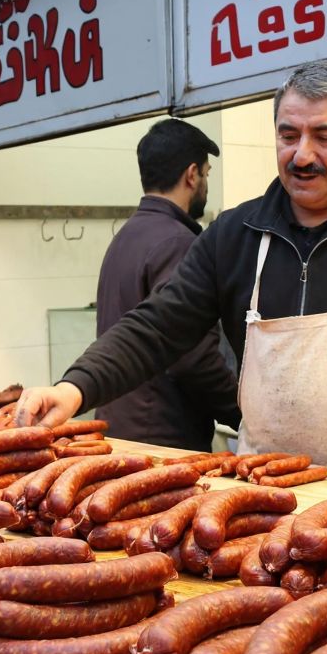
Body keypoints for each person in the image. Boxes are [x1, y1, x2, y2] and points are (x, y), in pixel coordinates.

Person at [17, 60, 327, 480]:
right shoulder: (235, 234)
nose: (302, 155)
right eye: (288, 134)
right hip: (261, 489)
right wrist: (74, 387)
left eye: (324, 136)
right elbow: (156, 328)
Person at [92, 119, 236, 451]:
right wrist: (242, 413)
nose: (205, 184)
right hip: (164, 441)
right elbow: (192, 357)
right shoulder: (178, 242)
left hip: (119, 431)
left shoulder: (126, 236)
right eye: (207, 174)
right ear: (191, 175)